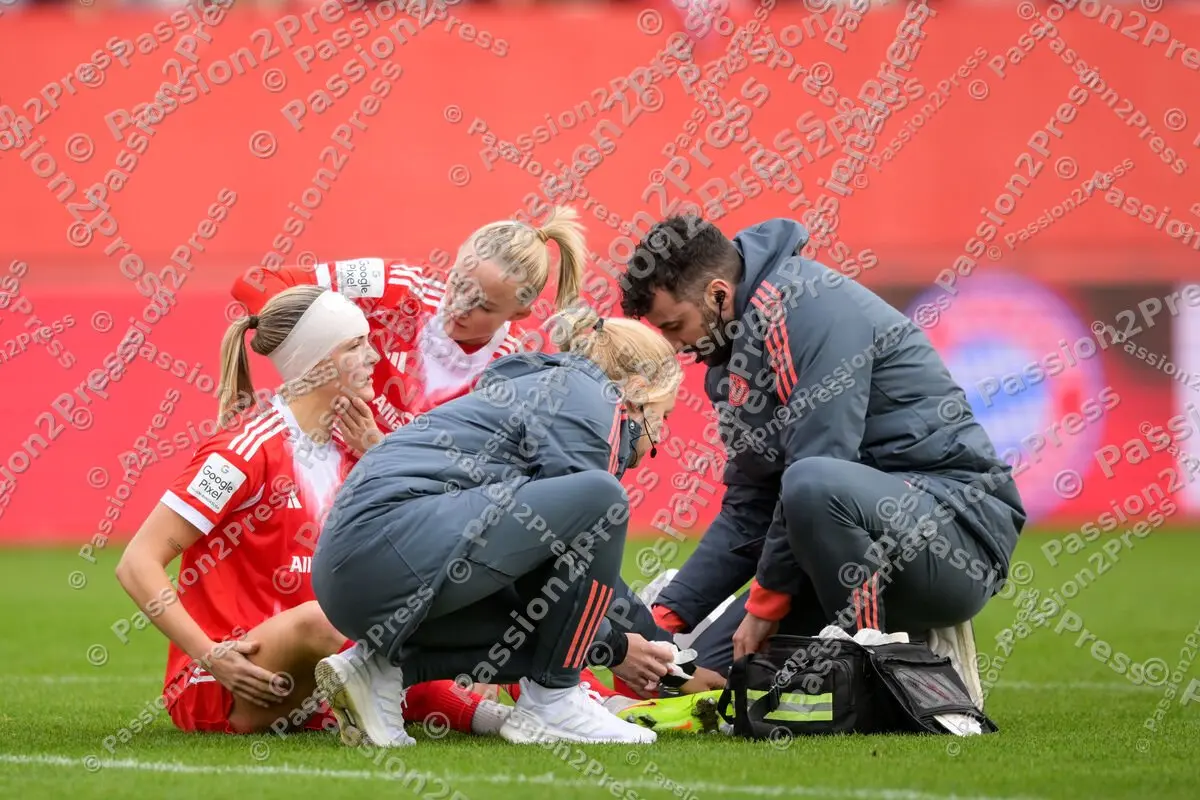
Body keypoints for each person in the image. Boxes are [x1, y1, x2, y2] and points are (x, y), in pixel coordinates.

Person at [617, 215, 1028, 708]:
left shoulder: (804, 304)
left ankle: (897, 658)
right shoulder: (730, 353)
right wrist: (666, 617)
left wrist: (766, 601)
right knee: (700, 676)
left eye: (674, 326)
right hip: (840, 543)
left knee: (812, 480)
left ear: (718, 294)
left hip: (955, 531)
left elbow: (817, 470)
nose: (677, 347)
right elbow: (751, 505)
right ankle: (867, 647)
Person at [114, 286, 511, 738]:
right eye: (355, 345)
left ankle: (506, 720)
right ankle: (441, 704)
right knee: (324, 619)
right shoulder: (244, 450)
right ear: (316, 362)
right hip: (224, 681)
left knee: (439, 602)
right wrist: (209, 654)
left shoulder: (352, 445)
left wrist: (379, 456)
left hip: (317, 671)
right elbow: (136, 563)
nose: (373, 357)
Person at [310, 307, 687, 745]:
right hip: (390, 554)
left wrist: (657, 648)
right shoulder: (590, 399)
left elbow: (566, 582)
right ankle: (555, 700)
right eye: (663, 415)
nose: (660, 435)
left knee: (550, 621)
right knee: (605, 498)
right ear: (637, 391)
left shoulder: (556, 391)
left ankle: (377, 671)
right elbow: (563, 560)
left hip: (356, 578)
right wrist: (617, 647)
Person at [231, 207, 587, 434]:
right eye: (457, 283)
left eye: (483, 306)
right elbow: (256, 282)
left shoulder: (515, 371)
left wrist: (375, 453)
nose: (458, 307)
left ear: (519, 314)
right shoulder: (398, 286)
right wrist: (316, 339)